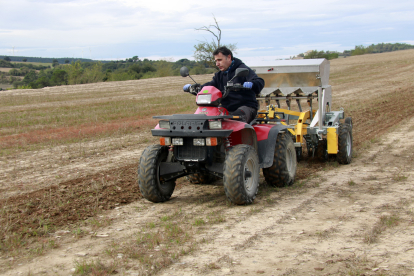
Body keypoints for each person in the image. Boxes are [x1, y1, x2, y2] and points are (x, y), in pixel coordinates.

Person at [183, 46, 264, 123]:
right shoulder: (219, 75)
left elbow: (259, 81)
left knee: (235, 119)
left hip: (246, 106)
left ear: (229, 57)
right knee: (209, 118)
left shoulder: (242, 69)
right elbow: (210, 86)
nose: (217, 64)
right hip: (226, 107)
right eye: (216, 61)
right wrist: (195, 88)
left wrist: (252, 83)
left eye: (219, 60)